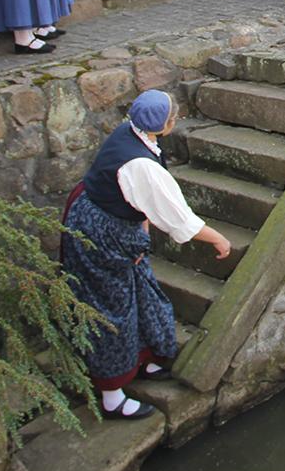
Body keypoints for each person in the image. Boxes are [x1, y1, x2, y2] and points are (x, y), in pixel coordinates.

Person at [60, 90, 231, 420]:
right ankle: (112, 394)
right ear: (162, 124)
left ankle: (145, 356)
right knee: (111, 306)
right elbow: (180, 220)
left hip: (111, 221)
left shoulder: (130, 132)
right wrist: (219, 240)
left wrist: (139, 235)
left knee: (141, 289)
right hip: (101, 232)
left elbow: (141, 203)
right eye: (173, 118)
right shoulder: (141, 163)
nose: (175, 122)